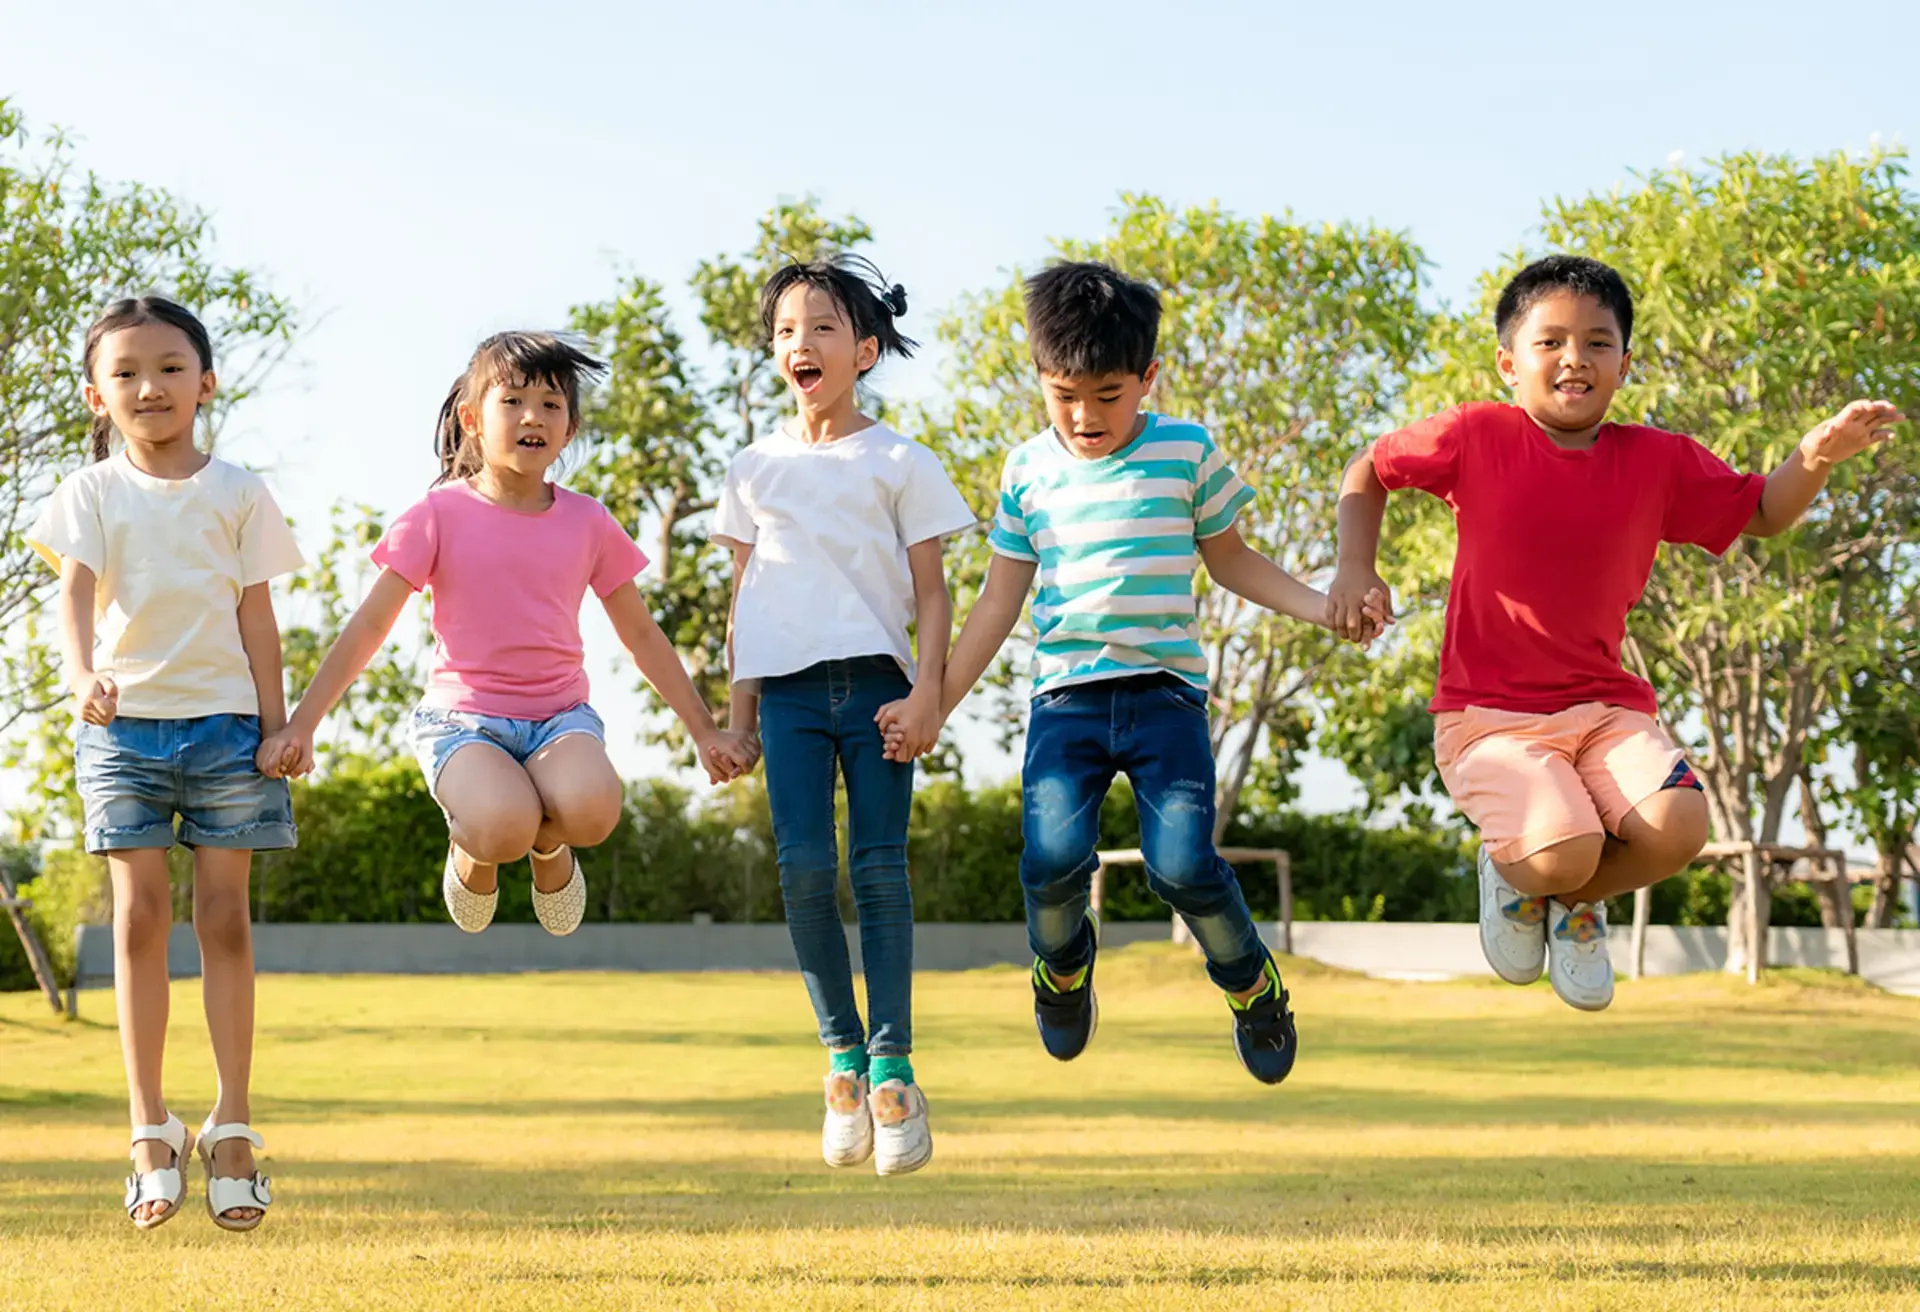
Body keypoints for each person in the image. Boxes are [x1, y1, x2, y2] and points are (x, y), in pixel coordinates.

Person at [1329, 254, 1904, 1011]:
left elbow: (1764, 511)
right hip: (1490, 717)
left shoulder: (1657, 461)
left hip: (1606, 710)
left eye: (1598, 343)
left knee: (1679, 825)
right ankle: (1519, 873)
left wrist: (1817, 454)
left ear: (1624, 365)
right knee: (1565, 846)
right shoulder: (1476, 434)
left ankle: (1576, 902)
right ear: (1508, 363)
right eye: (1551, 342)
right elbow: (1370, 467)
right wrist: (1354, 569)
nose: (1575, 358)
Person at [891, 261, 1385, 1086]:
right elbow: (998, 602)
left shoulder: (1185, 451)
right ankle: (1062, 972)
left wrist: (1322, 607)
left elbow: (1232, 561)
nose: (1085, 416)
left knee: (1182, 866)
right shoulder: (1026, 470)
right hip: (1066, 704)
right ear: (1039, 377)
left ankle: (1252, 986)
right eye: (1064, 395)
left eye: (1108, 395)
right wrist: (931, 700)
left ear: (1147, 377)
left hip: (1166, 702)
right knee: (1050, 862)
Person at [261, 332, 755, 938]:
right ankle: (474, 849)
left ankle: (550, 844)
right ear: (472, 419)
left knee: (595, 811)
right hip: (463, 723)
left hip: (559, 719)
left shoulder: (589, 521)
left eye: (551, 405)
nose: (532, 417)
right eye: (513, 400)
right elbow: (369, 625)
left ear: (570, 430)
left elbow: (642, 635)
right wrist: (303, 724)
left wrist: (705, 730)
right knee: (502, 826)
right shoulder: (437, 514)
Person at [30, 296, 302, 1231]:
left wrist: (279, 727)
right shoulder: (89, 493)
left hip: (229, 732)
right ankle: (149, 1130)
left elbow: (258, 617)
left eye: (170, 367)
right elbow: (74, 597)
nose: (150, 386)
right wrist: (80, 677)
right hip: (122, 735)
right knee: (139, 916)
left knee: (224, 920)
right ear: (97, 395)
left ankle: (232, 1125)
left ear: (205, 383)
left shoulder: (240, 492)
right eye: (127, 372)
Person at [713, 256, 975, 1175]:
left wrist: (928, 696)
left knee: (878, 869)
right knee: (802, 869)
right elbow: (743, 601)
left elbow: (934, 594)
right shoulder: (753, 468)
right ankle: (842, 1060)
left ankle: (894, 1070)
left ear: (863, 350)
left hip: (876, 690)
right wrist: (736, 717)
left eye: (823, 327)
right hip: (785, 695)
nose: (802, 343)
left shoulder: (901, 460)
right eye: (787, 330)